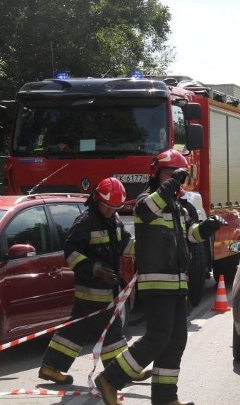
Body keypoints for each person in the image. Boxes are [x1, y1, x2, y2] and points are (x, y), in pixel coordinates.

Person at [95, 150, 227, 405]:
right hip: (156, 283)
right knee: (157, 339)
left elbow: (190, 235)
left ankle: (165, 398)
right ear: (156, 176)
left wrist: (207, 227)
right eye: (169, 174)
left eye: (178, 176)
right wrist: (170, 185)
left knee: (176, 341)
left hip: (177, 283)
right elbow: (146, 210)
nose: (174, 181)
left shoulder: (178, 207)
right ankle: (110, 379)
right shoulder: (147, 200)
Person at [39, 178, 151, 384]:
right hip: (92, 288)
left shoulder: (113, 220)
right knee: (112, 330)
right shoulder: (85, 222)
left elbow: (125, 245)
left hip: (107, 289)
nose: (110, 211)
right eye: (108, 207)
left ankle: (50, 367)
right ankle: (123, 371)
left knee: (76, 329)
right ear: (97, 199)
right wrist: (96, 270)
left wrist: (149, 254)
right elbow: (71, 252)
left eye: (114, 208)